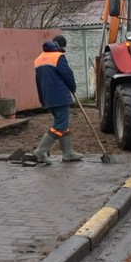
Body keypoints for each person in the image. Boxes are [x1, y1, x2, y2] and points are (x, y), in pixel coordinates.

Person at [33, 35, 83, 165]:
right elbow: (67, 74)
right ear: (60, 46)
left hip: (48, 97)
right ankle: (40, 151)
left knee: (63, 123)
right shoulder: (58, 57)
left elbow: (38, 82)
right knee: (60, 125)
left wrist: (42, 99)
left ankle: (68, 153)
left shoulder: (39, 59)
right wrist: (73, 88)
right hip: (60, 96)